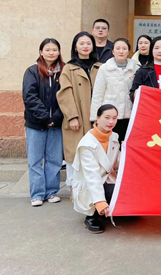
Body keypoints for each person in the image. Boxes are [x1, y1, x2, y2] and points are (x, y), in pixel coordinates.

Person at [22, 38, 65, 207]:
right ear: (41, 52)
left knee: (55, 160)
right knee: (35, 160)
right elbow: (29, 96)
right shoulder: (32, 71)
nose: (51, 53)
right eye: (47, 49)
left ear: (59, 52)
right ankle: (37, 194)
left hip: (57, 123)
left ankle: (51, 192)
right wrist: (45, 117)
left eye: (54, 50)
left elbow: (67, 96)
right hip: (36, 124)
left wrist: (56, 117)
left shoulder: (64, 71)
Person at [57, 32, 102, 185]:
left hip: (95, 117)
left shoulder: (100, 67)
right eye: (81, 43)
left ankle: (93, 188)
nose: (85, 46)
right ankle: (74, 188)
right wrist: (72, 116)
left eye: (88, 43)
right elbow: (65, 93)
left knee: (95, 153)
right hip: (77, 117)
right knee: (74, 153)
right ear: (75, 47)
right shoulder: (68, 68)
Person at [72, 104, 120, 234]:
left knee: (130, 198)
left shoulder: (114, 137)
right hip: (90, 185)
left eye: (114, 118)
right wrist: (100, 202)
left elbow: (118, 162)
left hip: (108, 181)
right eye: (107, 117)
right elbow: (91, 177)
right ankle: (91, 217)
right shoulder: (87, 144)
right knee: (113, 192)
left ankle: (109, 209)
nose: (111, 122)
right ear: (97, 119)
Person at [90, 38, 140, 144]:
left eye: (124, 48)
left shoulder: (136, 69)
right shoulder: (104, 68)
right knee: (109, 145)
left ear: (129, 51)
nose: (121, 51)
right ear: (113, 51)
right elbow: (98, 94)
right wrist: (95, 117)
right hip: (109, 116)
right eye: (118, 48)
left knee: (126, 145)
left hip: (129, 114)